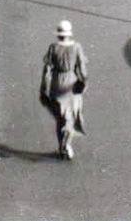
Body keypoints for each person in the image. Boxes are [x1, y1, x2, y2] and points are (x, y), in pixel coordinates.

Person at [39, 21, 88, 161]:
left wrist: (43, 88)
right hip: (70, 83)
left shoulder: (53, 48)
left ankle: (61, 145)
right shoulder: (76, 47)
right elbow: (82, 69)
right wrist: (83, 82)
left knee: (60, 118)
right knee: (70, 118)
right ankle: (66, 145)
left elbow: (47, 70)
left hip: (56, 83)